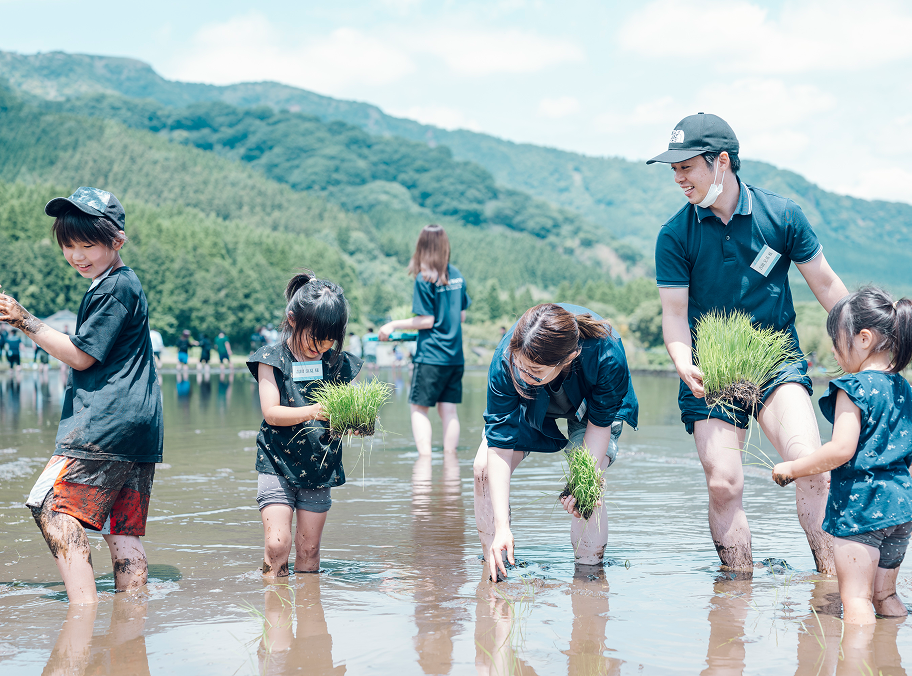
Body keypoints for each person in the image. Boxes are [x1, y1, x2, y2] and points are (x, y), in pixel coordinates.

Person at [649, 112, 848, 573]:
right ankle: (735, 594)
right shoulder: (675, 235)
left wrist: (867, 349)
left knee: (812, 465)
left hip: (776, 364)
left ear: (722, 163)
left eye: (686, 167)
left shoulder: (781, 215)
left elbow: (827, 286)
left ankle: (832, 582)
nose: (678, 178)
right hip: (709, 372)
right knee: (723, 482)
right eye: (674, 170)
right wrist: (683, 361)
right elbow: (675, 316)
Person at [0, 186, 163, 604]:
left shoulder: (112, 289)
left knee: (49, 507)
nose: (77, 256)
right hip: (139, 428)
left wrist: (24, 320)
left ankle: (83, 609)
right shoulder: (121, 284)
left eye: (88, 245)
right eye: (69, 246)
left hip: (105, 423)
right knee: (120, 526)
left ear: (117, 241)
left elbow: (81, 356)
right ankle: (131, 621)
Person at [772, 287, 912, 624]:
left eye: (837, 342)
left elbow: (840, 450)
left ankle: (857, 665)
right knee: (885, 596)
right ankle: (892, 660)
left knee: (856, 600)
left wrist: (792, 466)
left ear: (863, 339)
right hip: (901, 510)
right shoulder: (903, 388)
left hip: (863, 510)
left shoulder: (854, 389)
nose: (834, 353)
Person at [474, 303, 638, 582]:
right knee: (483, 469)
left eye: (534, 371)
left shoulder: (606, 353)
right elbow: (499, 447)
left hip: (590, 405)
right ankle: (497, 565)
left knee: (585, 487)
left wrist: (583, 480)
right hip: (530, 403)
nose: (524, 375)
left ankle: (589, 575)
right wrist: (503, 525)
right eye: (520, 367)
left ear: (570, 357)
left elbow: (599, 429)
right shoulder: (507, 359)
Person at [248, 271, 361, 577]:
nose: (322, 346)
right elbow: (271, 412)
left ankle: (310, 613)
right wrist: (313, 411)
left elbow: (345, 418)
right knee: (277, 543)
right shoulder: (271, 359)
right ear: (294, 320)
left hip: (319, 466)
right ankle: (274, 611)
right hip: (276, 461)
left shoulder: (337, 363)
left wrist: (354, 421)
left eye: (329, 339)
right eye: (316, 337)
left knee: (309, 550)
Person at [380, 224, 471, 457]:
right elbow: (461, 315)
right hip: (454, 356)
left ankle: (425, 462)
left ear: (422, 247)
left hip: (431, 354)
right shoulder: (457, 275)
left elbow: (427, 320)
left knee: (419, 409)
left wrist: (393, 324)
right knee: (449, 411)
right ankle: (450, 462)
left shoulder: (424, 278)